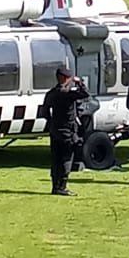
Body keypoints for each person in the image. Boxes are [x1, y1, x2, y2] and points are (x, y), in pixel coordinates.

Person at [38, 65, 90, 196]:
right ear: (64, 78)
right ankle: (62, 186)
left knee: (56, 158)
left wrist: (52, 123)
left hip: (55, 130)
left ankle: (55, 186)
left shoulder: (51, 93)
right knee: (67, 157)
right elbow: (85, 94)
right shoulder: (67, 94)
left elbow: (44, 112)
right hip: (67, 129)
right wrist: (80, 83)